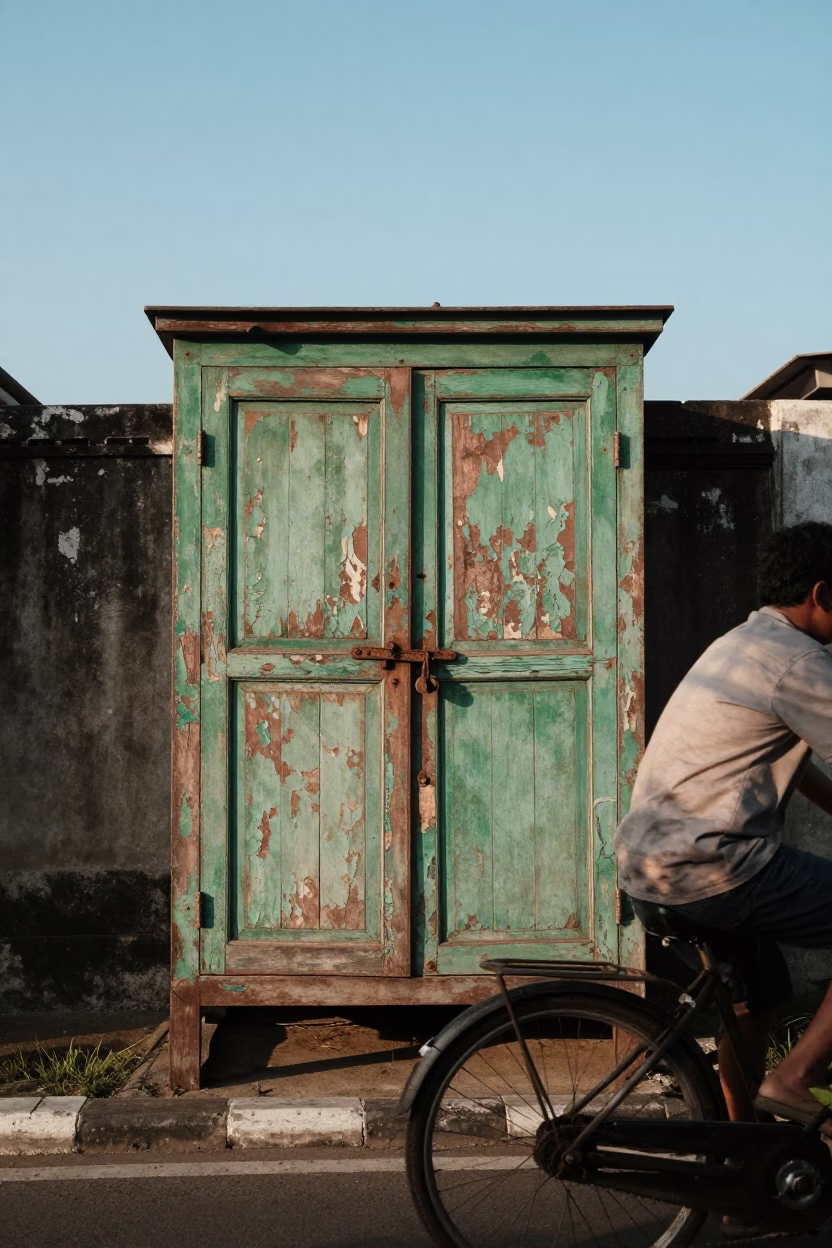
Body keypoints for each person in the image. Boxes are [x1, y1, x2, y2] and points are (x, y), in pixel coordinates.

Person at [615, 521, 832, 1128]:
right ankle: (795, 1079)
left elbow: (793, 766)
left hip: (652, 869)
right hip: (713, 868)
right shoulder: (799, 661)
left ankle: (742, 1153)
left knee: (754, 999)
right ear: (821, 594)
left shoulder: (741, 643)